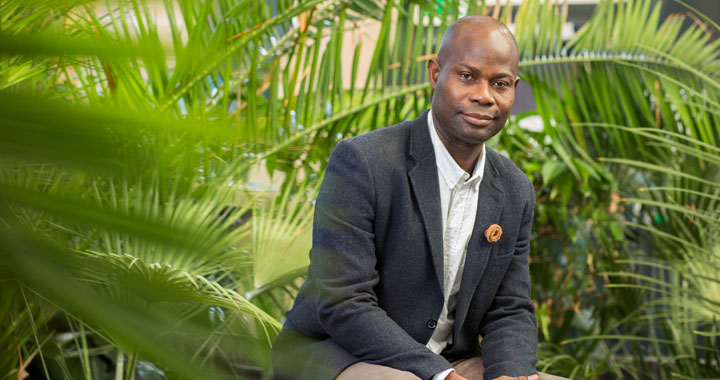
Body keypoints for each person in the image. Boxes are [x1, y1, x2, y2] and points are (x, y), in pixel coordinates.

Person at [272, 16, 566, 380]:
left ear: (514, 89)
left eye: (500, 83)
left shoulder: (514, 189)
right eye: (467, 76)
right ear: (435, 73)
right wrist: (437, 375)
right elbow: (343, 302)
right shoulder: (363, 162)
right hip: (339, 353)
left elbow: (510, 307)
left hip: (452, 360)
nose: (483, 95)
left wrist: (513, 373)